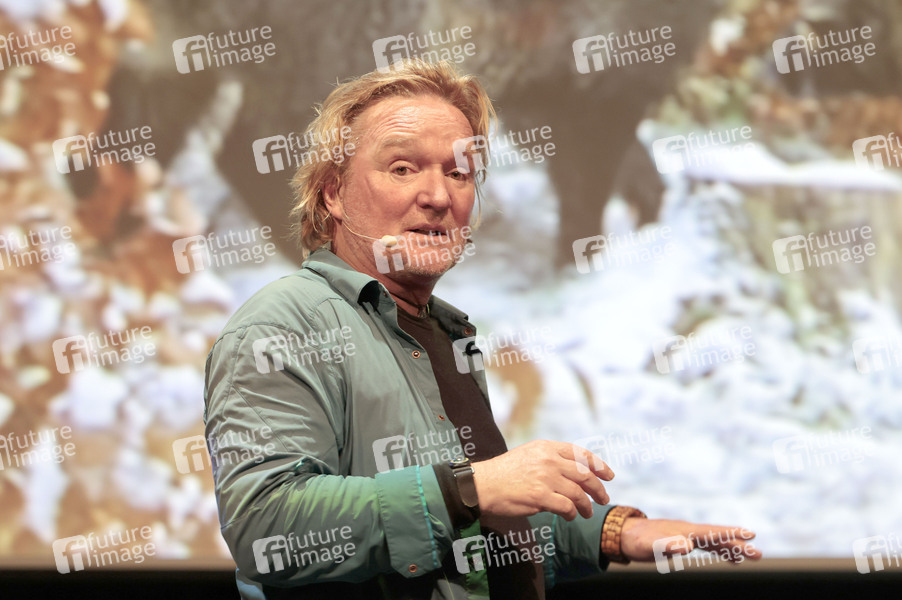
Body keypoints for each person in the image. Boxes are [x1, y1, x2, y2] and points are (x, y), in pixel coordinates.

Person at [203, 58, 761, 600]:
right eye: (402, 169)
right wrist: (473, 488)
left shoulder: (443, 333)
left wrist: (615, 532)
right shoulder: (281, 327)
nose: (438, 196)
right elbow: (267, 529)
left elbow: (472, 533)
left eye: (459, 173)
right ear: (333, 192)